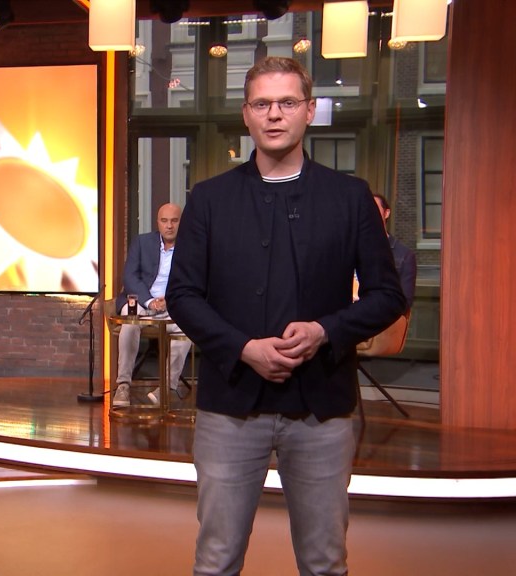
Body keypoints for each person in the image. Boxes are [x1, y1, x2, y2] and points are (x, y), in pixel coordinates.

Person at [167, 57, 406, 575]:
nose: (274, 114)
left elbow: (388, 295)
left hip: (322, 408)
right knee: (215, 561)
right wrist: (243, 348)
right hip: (230, 408)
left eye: (287, 102)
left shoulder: (350, 198)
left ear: (309, 111)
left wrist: (325, 331)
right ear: (246, 114)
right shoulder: (209, 199)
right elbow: (182, 295)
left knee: (324, 563)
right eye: (262, 104)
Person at [114, 203, 192, 406]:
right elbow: (130, 277)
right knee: (130, 323)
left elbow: (193, 281)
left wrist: (170, 300)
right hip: (141, 301)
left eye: (174, 221)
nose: (169, 226)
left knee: (188, 328)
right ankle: (123, 386)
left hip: (172, 305)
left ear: (181, 222)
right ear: (158, 222)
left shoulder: (191, 247)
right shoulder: (142, 242)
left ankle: (166, 388)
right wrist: (149, 301)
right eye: (164, 221)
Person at [372, 193, 417, 310]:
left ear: (386, 213)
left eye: (374, 208)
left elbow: (404, 301)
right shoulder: (349, 249)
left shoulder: (404, 256)